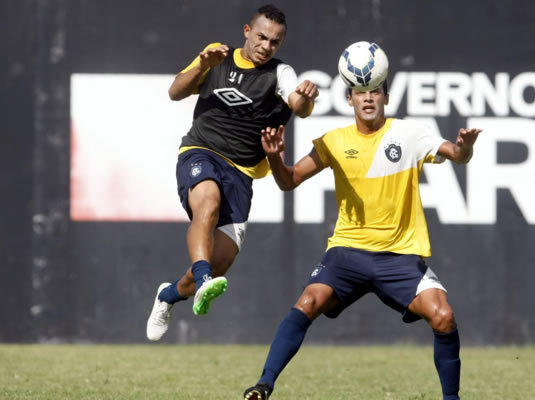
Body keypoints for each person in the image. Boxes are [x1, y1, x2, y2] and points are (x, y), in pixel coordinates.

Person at [243, 77, 481, 399]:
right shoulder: (334, 141)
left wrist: (465, 147)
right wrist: (273, 157)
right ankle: (264, 385)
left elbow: (457, 154)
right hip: (347, 253)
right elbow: (290, 180)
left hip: (399, 257)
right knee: (307, 303)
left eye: (375, 92)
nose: (368, 98)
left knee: (443, 316)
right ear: (349, 99)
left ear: (386, 97)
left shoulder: (410, 134)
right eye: (360, 93)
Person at [146, 4, 319, 341]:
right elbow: (174, 92)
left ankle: (168, 295)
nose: (266, 46)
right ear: (246, 31)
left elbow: (299, 106)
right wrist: (202, 65)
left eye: (274, 42)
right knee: (207, 203)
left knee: (220, 263)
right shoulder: (218, 57)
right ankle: (203, 279)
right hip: (201, 151)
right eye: (261, 37)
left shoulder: (280, 73)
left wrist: (306, 97)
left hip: (241, 173)